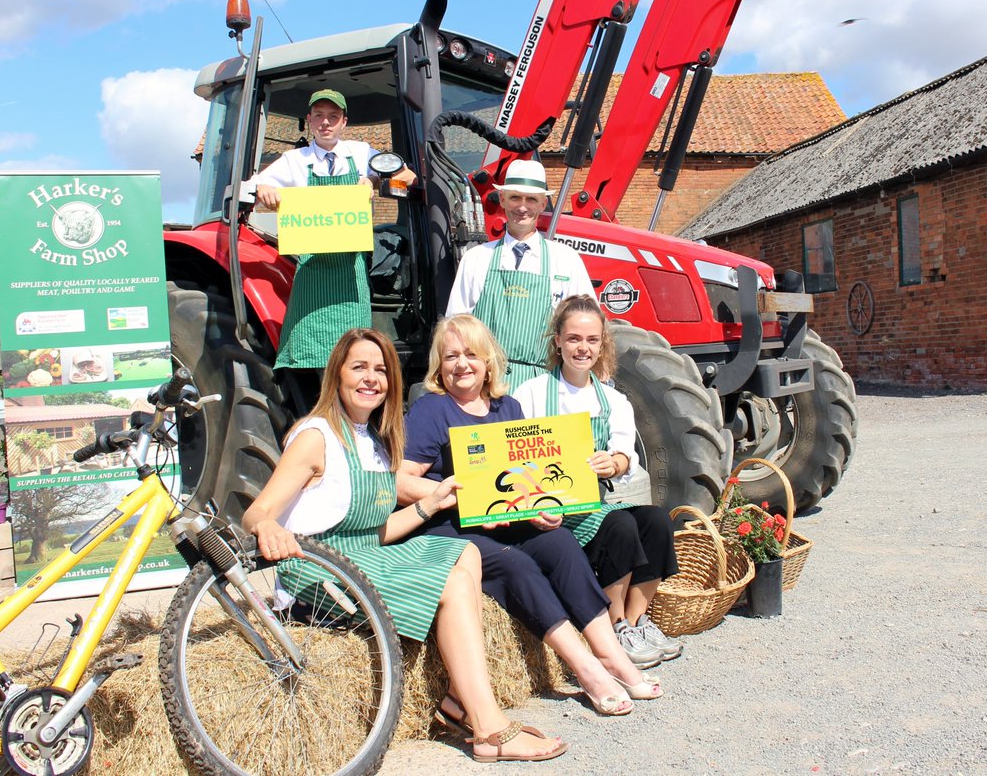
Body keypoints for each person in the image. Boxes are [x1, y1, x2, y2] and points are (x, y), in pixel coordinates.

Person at [242, 328, 567, 763]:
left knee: (465, 551)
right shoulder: (315, 436)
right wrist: (270, 529)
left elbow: (370, 531)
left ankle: (457, 697)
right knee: (452, 583)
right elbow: (255, 512)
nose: (371, 378)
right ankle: (489, 730)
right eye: (359, 367)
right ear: (336, 374)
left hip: (361, 556)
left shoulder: (370, 440)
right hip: (318, 573)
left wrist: (429, 504)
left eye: (381, 370)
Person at [397, 314, 662, 717]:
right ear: (439, 364)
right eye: (450, 356)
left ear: (488, 361)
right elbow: (399, 481)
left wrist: (541, 511)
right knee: (516, 563)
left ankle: (610, 654)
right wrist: (448, 495)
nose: (461, 364)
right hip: (450, 526)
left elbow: (525, 479)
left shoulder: (509, 407)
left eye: (471, 354)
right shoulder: (431, 410)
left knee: (560, 543)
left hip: (504, 517)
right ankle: (584, 666)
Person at [513, 295, 684, 664]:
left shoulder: (612, 400)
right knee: (620, 524)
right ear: (557, 340)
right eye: (574, 338)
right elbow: (513, 459)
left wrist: (614, 463)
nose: (582, 348)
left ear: (602, 343)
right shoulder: (530, 394)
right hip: (551, 509)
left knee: (655, 521)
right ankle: (613, 624)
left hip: (594, 501)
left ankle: (637, 620)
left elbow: (626, 454)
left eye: (592, 340)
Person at [253, 89, 410, 374]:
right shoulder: (294, 160)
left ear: (343, 122)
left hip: (350, 273)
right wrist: (264, 188)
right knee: (314, 357)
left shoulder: (361, 152)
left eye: (333, 117)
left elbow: (405, 175)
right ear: (309, 121)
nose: (326, 123)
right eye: (319, 116)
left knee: (354, 355)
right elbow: (253, 187)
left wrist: (373, 179)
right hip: (313, 272)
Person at [446, 159, 594, 388]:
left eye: (531, 199)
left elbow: (588, 327)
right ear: (502, 200)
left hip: (546, 386)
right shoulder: (476, 259)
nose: (522, 207)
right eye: (515, 197)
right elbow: (454, 328)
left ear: (543, 204)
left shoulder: (566, 260)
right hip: (484, 387)